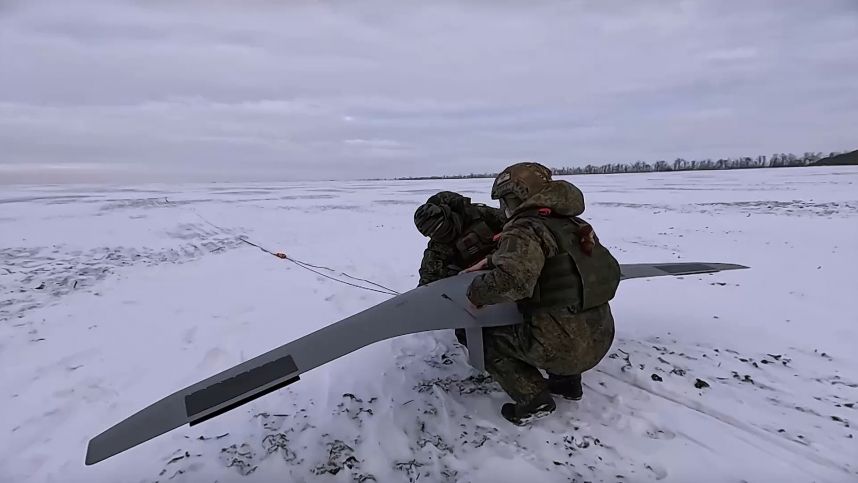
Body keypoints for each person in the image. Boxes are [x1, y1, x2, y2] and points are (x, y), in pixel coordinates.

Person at [463, 162, 621, 425]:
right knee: (561, 317)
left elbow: (512, 281)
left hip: (564, 349)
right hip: (600, 338)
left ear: (517, 195)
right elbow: (556, 262)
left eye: (505, 200)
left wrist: (476, 293)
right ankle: (567, 384)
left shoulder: (525, 227)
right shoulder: (572, 222)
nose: (504, 208)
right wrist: (493, 260)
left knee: (487, 338)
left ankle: (533, 398)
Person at [413, 191, 507, 345]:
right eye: (436, 234)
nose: (443, 235)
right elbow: (428, 280)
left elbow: (517, 226)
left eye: (443, 228)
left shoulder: (479, 214)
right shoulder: (438, 248)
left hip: (506, 264)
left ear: (448, 216)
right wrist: (421, 301)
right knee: (466, 333)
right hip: (476, 285)